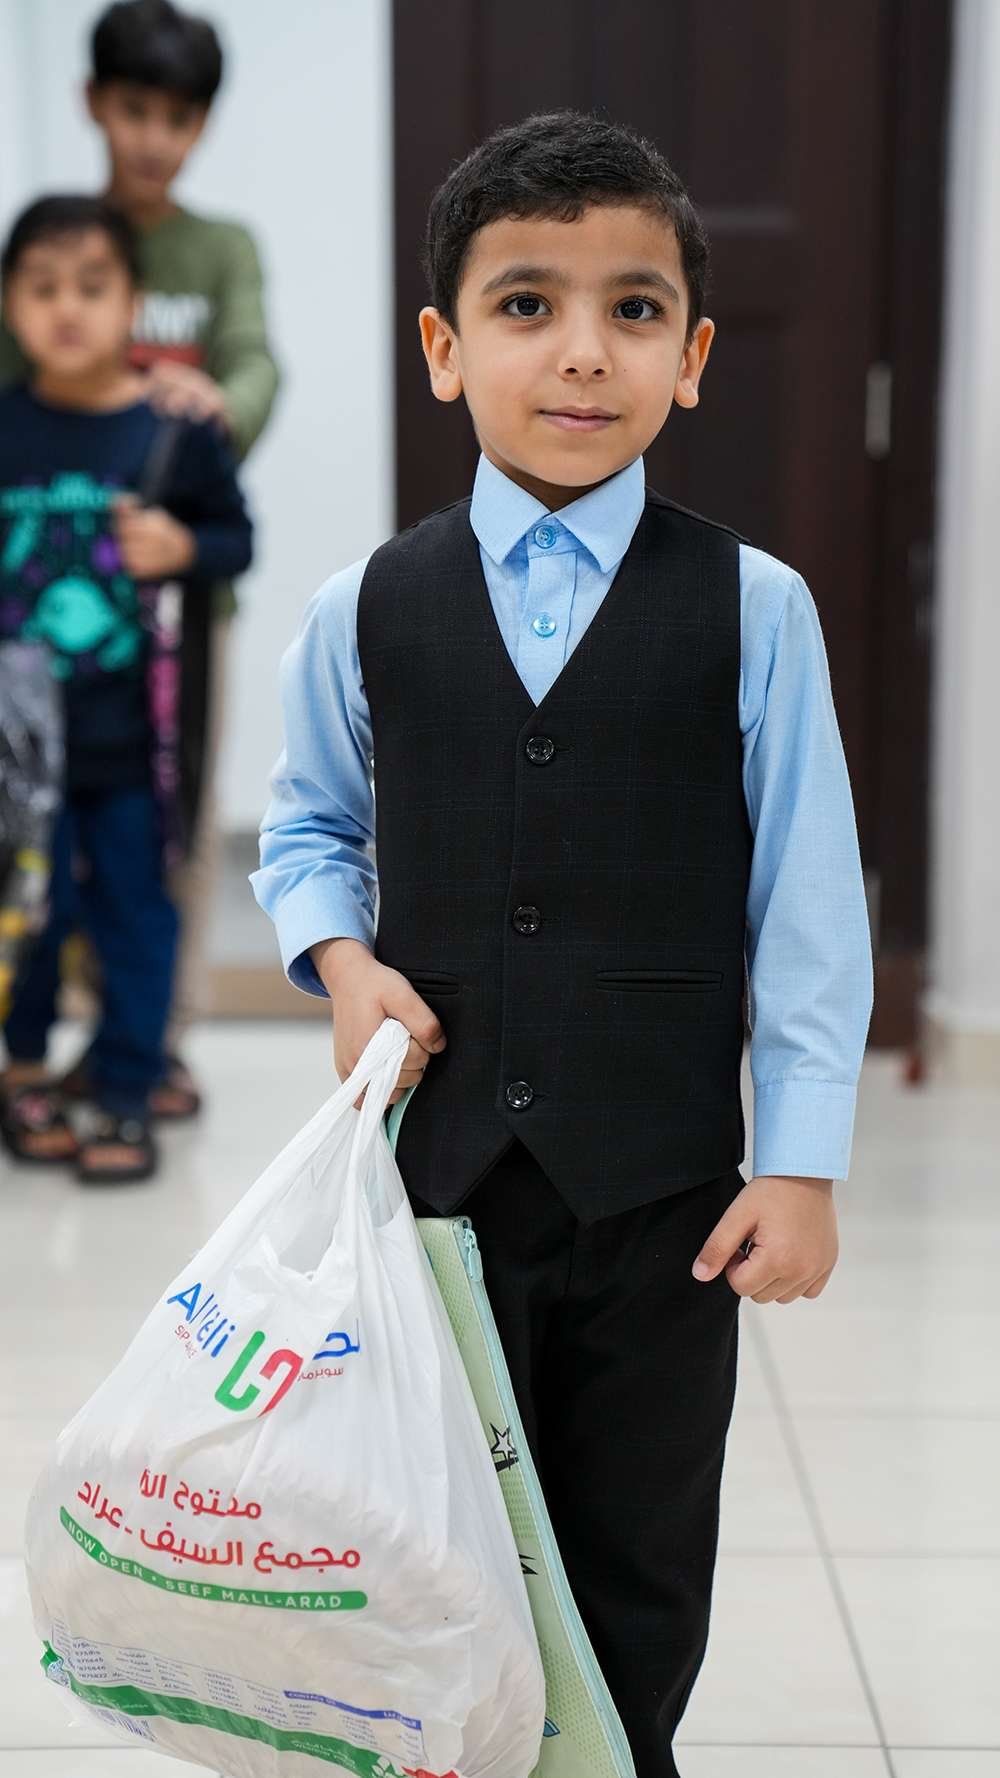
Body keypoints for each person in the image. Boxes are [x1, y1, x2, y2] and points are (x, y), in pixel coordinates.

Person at [252, 112, 874, 1776]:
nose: (585, 351)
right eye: (527, 305)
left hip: (666, 1203)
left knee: (639, 1562)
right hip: (434, 1194)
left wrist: (800, 1158)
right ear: (445, 349)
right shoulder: (360, 608)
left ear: (694, 357)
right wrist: (342, 964)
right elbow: (305, 832)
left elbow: (809, 902)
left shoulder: (758, 608)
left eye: (636, 309)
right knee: (436, 1546)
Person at [0, 0, 281, 1121]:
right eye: (134, 112)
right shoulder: (54, 241)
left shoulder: (219, 250)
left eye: (178, 118)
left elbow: (255, 366)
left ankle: (154, 1044)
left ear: (200, 124)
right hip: (38, 609)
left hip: (174, 603)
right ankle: (76, 1037)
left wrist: (211, 410)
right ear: (94, 107)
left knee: (166, 827)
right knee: (42, 835)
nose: (154, 138)